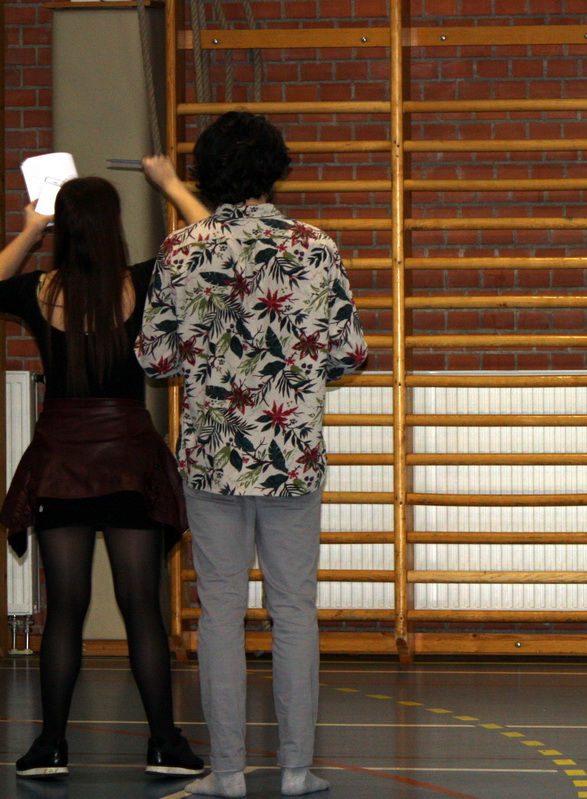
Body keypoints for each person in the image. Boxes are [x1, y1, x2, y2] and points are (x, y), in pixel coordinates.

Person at [136, 110, 367, 798]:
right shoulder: (315, 246)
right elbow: (351, 352)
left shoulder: (181, 249)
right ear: (276, 170)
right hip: (290, 455)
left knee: (220, 614)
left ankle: (229, 773)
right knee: (294, 611)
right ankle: (295, 770)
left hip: (212, 458)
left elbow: (153, 358)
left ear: (205, 175)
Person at [0, 174, 206, 779]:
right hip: (128, 460)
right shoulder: (143, 280)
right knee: (141, 606)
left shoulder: (40, 289)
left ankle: (50, 747)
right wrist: (170, 183)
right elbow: (211, 238)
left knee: (65, 608)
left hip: (61, 460)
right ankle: (164, 744)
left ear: (64, 228)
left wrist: (31, 229)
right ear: (114, 227)